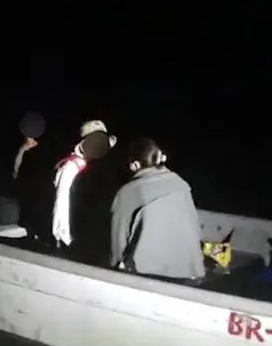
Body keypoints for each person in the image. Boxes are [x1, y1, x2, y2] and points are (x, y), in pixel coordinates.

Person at [110, 137, 205, 283]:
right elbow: (195, 230)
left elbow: (118, 246)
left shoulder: (128, 192)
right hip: (188, 273)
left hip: (144, 275)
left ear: (135, 165)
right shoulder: (182, 186)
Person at [52, 120, 117, 248]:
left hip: (96, 236)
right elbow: (61, 201)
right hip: (76, 239)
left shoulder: (102, 167)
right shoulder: (72, 166)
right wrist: (64, 237)